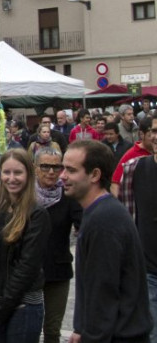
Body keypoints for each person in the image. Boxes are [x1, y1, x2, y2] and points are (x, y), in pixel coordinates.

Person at [60, 140, 151, 342]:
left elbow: (103, 294)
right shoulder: (101, 213)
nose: (62, 176)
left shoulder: (104, 220)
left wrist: (90, 335)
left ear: (95, 175)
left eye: (71, 170)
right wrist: (81, 329)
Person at [0, 149, 51, 343]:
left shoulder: (37, 214)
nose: (11, 178)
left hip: (23, 307)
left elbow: (27, 267)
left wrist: (1, 310)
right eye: (6, 172)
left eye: (17, 172)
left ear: (29, 173)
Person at [33, 148, 82, 343]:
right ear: (35, 168)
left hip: (58, 272)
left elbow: (84, 224)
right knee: (29, 327)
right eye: (45, 166)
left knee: (52, 330)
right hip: (29, 272)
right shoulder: (25, 195)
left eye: (56, 167)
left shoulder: (68, 196)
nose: (51, 172)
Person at [117, 116, 157, 343]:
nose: (156, 136)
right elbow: (126, 217)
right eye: (154, 130)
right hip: (149, 267)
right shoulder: (134, 168)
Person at [111, 116, 154, 196]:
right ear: (141, 134)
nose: (155, 138)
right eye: (151, 135)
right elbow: (115, 183)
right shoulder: (131, 155)